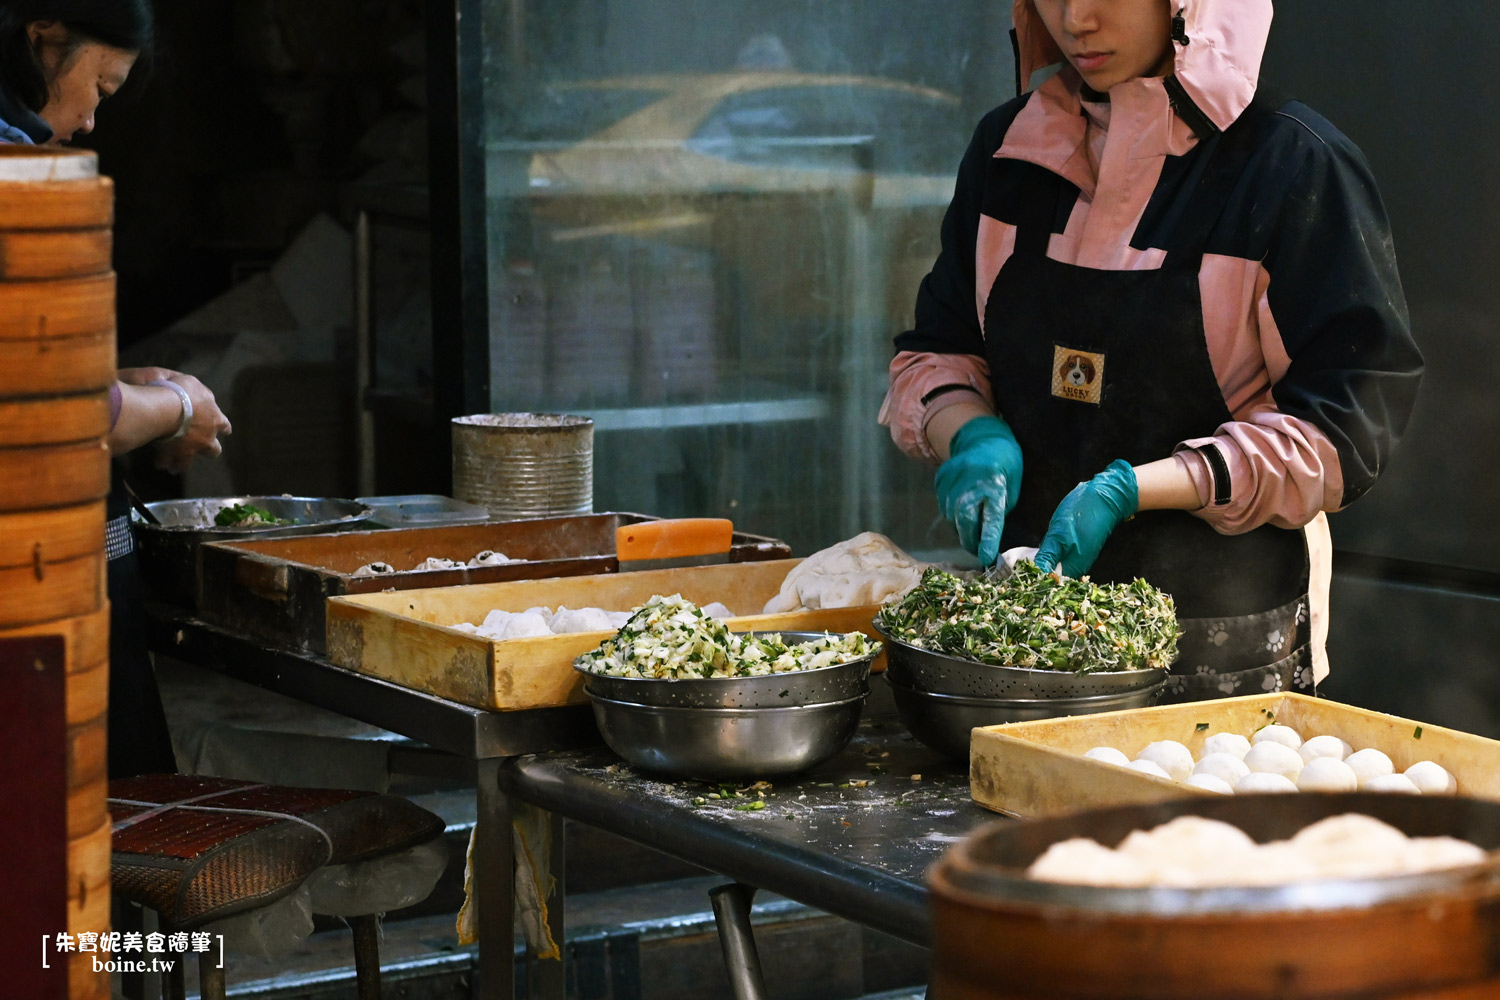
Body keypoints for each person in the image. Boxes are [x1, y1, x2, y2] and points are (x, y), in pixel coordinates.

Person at [878, 0, 1423, 701]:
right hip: (1019, 650)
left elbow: (1342, 434)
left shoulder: (1291, 166)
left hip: (1222, 653)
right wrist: (970, 432)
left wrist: (1135, 488)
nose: (1076, 18)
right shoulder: (1008, 152)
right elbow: (937, 352)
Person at [1, 1, 234, 776]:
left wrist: (114, 383)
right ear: (44, 37)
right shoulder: (14, 175)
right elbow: (67, 420)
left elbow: (37, 379)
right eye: (100, 85)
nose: (94, 119)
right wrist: (177, 408)